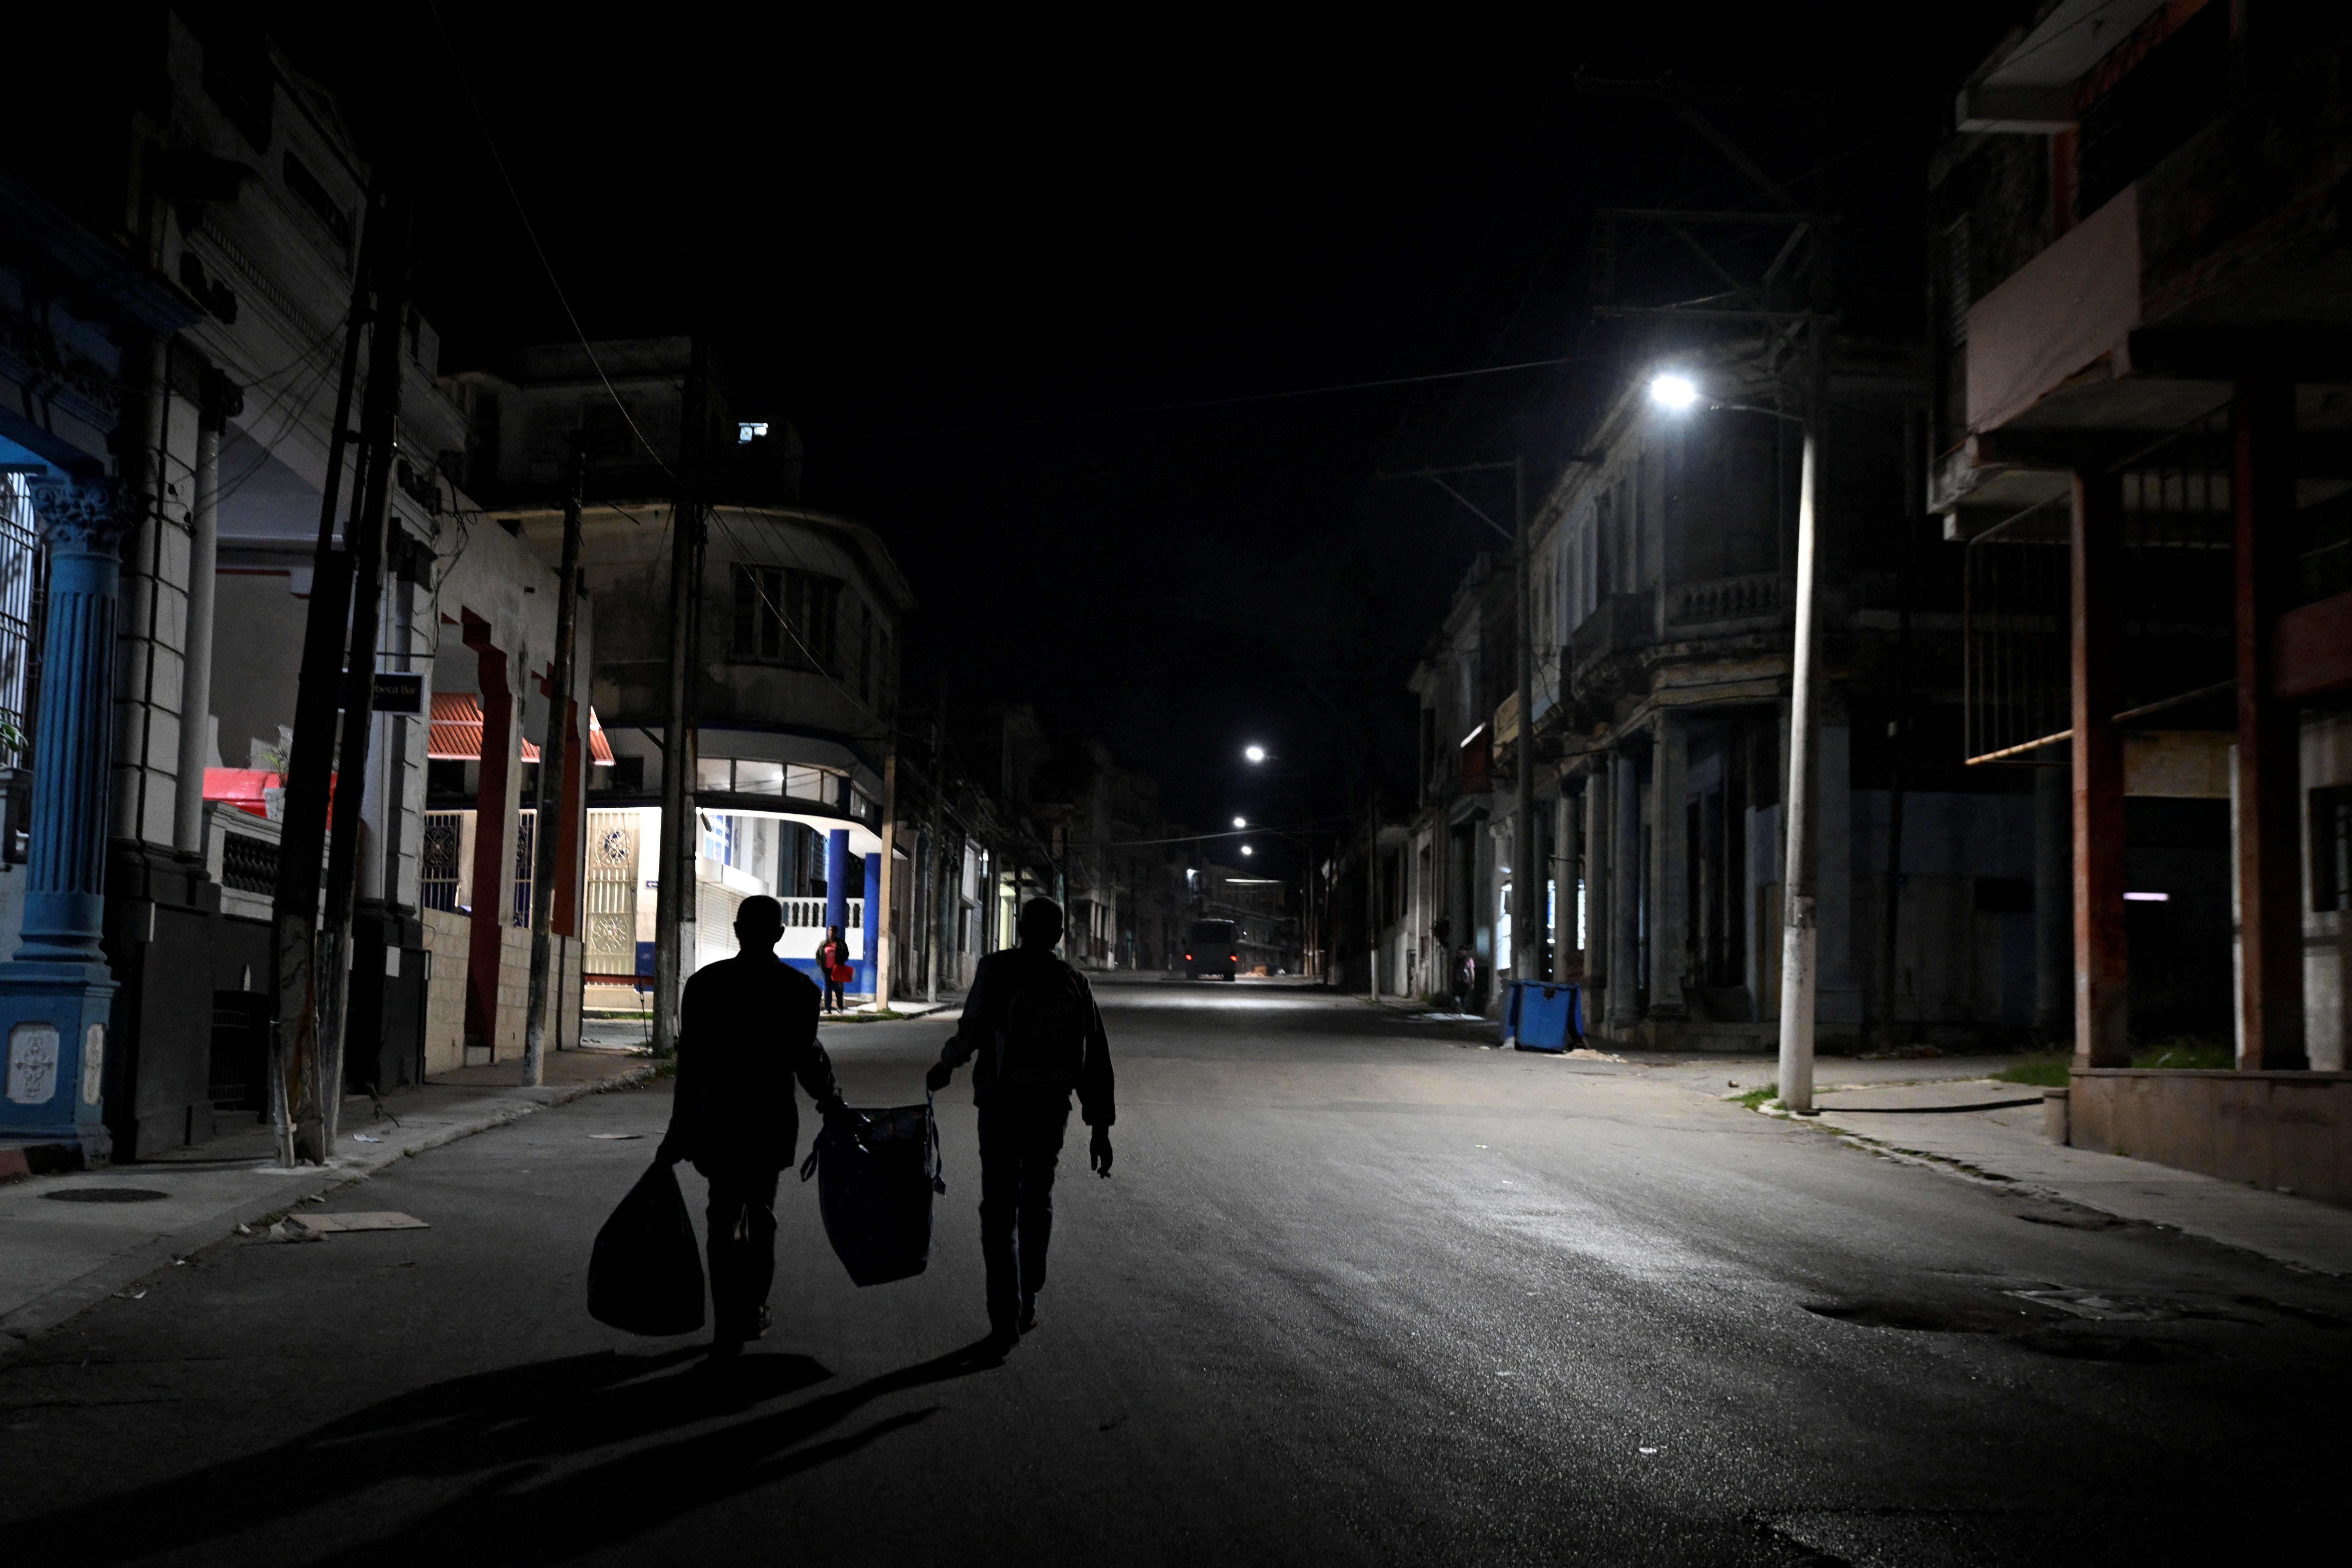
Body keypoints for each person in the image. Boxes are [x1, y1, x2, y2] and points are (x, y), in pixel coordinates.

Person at [659, 895, 853, 1356]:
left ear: (737, 929)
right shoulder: (800, 990)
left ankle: (727, 1316)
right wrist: (830, 1099)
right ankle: (752, 1307)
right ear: (780, 934)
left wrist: (679, 1126)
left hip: (718, 1118)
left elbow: (691, 1065)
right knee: (761, 1213)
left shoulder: (704, 985)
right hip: (768, 1118)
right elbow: (808, 1058)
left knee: (722, 1214)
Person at [926, 896, 1114, 1350]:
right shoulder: (1074, 982)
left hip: (1000, 1103)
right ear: (1060, 935)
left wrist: (946, 1066)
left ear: (1021, 927)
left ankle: (1004, 1315)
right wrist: (1100, 1127)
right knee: (1036, 1199)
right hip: (1051, 1105)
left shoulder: (996, 970)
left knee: (998, 1207)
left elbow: (971, 1029)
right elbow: (1094, 1058)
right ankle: (1028, 1295)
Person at [816, 925, 849, 1013]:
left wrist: (840, 962)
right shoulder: (824, 944)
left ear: (836, 933)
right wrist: (821, 965)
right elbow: (818, 955)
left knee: (838, 989)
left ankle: (840, 1007)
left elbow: (846, 954)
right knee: (828, 990)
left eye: (833, 932)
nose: (831, 933)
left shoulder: (841, 944)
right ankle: (828, 1009)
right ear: (828, 932)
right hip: (827, 970)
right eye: (830, 931)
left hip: (837, 970)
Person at [1453, 945, 1477, 1016]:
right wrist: (1472, 982)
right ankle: (1462, 1008)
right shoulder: (1458, 960)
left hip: (1464, 981)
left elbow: (1472, 972)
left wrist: (1472, 982)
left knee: (1463, 996)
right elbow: (1472, 972)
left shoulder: (1467, 960)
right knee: (1460, 995)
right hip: (1462, 981)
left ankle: (1462, 1009)